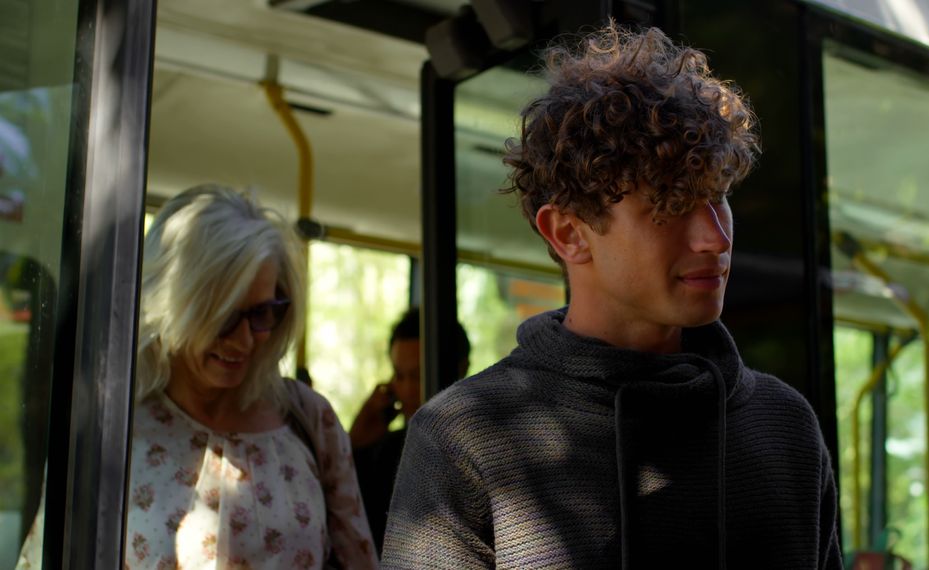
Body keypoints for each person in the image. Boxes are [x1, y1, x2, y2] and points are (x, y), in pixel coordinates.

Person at [381, 22, 843, 568]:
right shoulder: (468, 439)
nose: (715, 238)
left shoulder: (786, 426)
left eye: (717, 197)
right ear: (569, 233)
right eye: (668, 205)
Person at [19, 185, 380, 568]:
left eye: (261, 314)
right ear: (171, 305)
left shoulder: (307, 419)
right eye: (224, 317)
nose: (243, 341)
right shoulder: (113, 428)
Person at [349, 306, 470, 554]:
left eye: (417, 375)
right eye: (399, 375)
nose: (407, 390)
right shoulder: (383, 452)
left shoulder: (479, 446)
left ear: (460, 369)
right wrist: (355, 446)